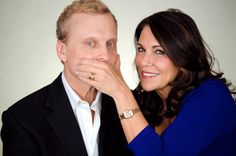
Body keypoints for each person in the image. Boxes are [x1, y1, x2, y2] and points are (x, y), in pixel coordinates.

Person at [75, 9, 236, 155]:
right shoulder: (149, 100)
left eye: (159, 51)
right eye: (141, 49)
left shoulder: (212, 97)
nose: (144, 61)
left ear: (182, 57)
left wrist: (119, 90)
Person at [0, 0, 133, 156]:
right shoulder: (22, 119)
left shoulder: (131, 107)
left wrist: (121, 92)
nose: (105, 56)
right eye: (90, 43)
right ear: (62, 51)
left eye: (110, 44)